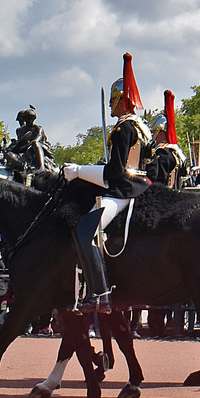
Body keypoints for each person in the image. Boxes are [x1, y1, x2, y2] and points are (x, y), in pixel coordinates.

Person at [60, 52, 153, 312]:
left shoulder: (124, 128)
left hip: (123, 190)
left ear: (122, 100)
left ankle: (100, 293)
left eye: (113, 100)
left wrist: (79, 171)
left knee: (84, 230)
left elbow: (114, 172)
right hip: (139, 185)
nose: (110, 106)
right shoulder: (142, 128)